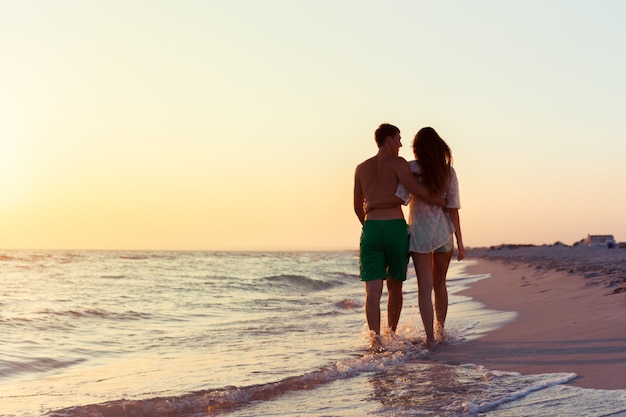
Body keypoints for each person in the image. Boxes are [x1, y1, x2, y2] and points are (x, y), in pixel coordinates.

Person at [353, 123, 446, 352]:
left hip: (372, 228)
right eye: (398, 139)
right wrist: (440, 201)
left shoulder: (361, 168)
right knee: (395, 287)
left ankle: (376, 343)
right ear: (389, 140)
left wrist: (370, 223)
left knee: (372, 289)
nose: (401, 144)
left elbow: (357, 206)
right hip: (395, 228)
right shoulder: (398, 163)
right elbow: (416, 189)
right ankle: (392, 334)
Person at [376, 127, 466, 346]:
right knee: (440, 285)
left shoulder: (411, 168)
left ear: (417, 148)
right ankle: (440, 331)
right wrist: (461, 242)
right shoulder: (448, 172)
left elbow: (401, 197)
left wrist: (375, 203)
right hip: (445, 233)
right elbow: (453, 208)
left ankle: (429, 338)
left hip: (420, 234)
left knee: (424, 288)